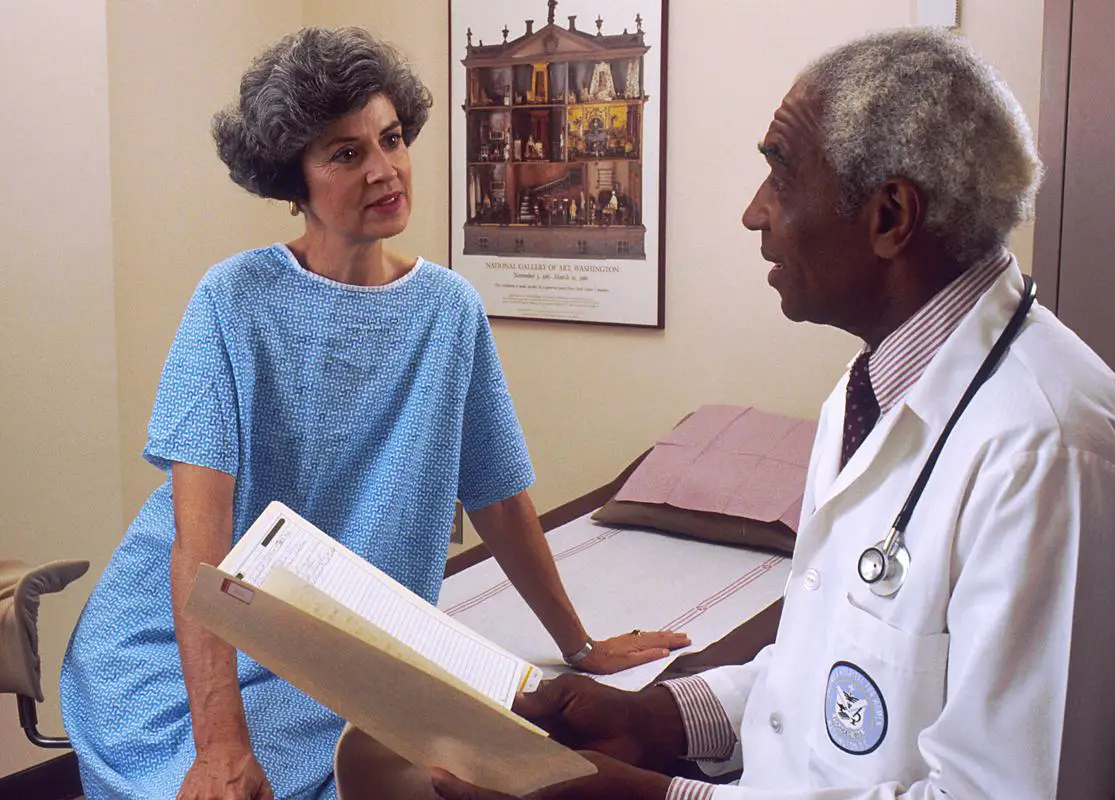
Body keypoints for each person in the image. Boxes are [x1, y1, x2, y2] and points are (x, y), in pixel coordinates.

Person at [427, 27, 1115, 800]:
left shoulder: (1054, 463)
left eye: (781, 177)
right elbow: (824, 677)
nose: (752, 214)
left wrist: (646, 796)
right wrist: (659, 720)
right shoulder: (869, 393)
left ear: (891, 215)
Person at [59, 27, 686, 800]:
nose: (385, 170)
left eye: (390, 138)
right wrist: (219, 744)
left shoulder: (449, 311)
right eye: (345, 152)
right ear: (295, 179)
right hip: (178, 656)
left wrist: (578, 644)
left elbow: (497, 496)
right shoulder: (232, 300)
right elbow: (198, 545)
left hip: (344, 661)